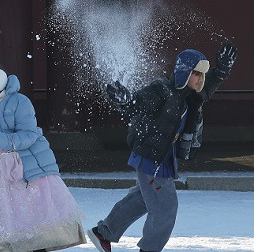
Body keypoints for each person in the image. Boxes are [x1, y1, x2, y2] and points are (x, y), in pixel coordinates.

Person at [87, 43, 238, 252]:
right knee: (165, 208)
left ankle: (103, 233)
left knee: (143, 199)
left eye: (202, 74)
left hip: (163, 158)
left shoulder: (191, 96)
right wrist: (127, 101)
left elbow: (210, 83)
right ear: (184, 72)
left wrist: (221, 69)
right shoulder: (162, 90)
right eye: (197, 73)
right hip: (151, 159)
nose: (201, 78)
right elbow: (139, 102)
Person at [0, 57, 86, 252]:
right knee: (11, 214)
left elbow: (28, 135)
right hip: (1, 169)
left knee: (30, 215)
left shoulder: (20, 101)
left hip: (24, 168)